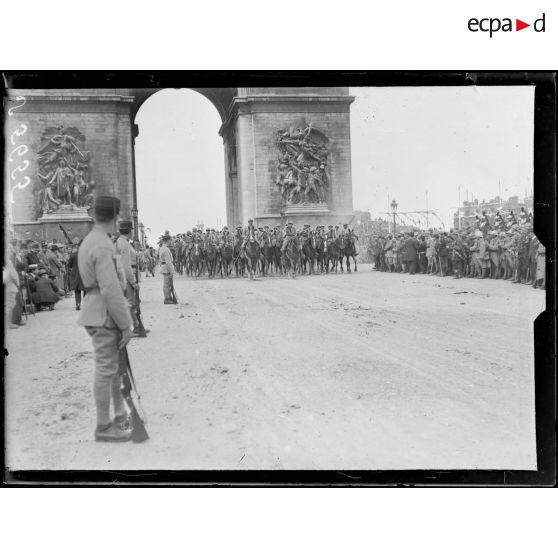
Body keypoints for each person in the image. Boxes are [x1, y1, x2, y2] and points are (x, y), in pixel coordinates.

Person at [77, 195, 134, 443]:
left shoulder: (93, 240)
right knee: (105, 369)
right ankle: (103, 425)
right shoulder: (102, 244)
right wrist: (126, 324)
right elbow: (111, 289)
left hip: (96, 310)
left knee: (111, 368)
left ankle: (119, 415)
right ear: (115, 216)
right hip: (104, 313)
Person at [115, 220, 140, 331]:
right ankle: (131, 328)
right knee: (130, 304)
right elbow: (126, 265)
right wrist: (133, 282)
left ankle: (136, 325)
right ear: (129, 231)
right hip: (126, 277)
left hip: (124, 276)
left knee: (130, 304)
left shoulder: (122, 241)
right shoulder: (124, 244)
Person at [68, 239, 85, 310]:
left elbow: (69, 265)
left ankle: (78, 304)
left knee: (77, 290)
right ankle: (86, 305)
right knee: (86, 290)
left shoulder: (73, 254)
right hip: (85, 273)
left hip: (75, 274)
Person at [159, 233, 176, 304]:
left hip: (164, 267)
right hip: (166, 268)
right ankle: (167, 299)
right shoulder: (166, 249)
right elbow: (168, 262)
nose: (171, 242)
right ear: (168, 241)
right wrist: (171, 271)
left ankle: (168, 297)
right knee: (166, 285)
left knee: (167, 284)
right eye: (170, 241)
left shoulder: (161, 248)